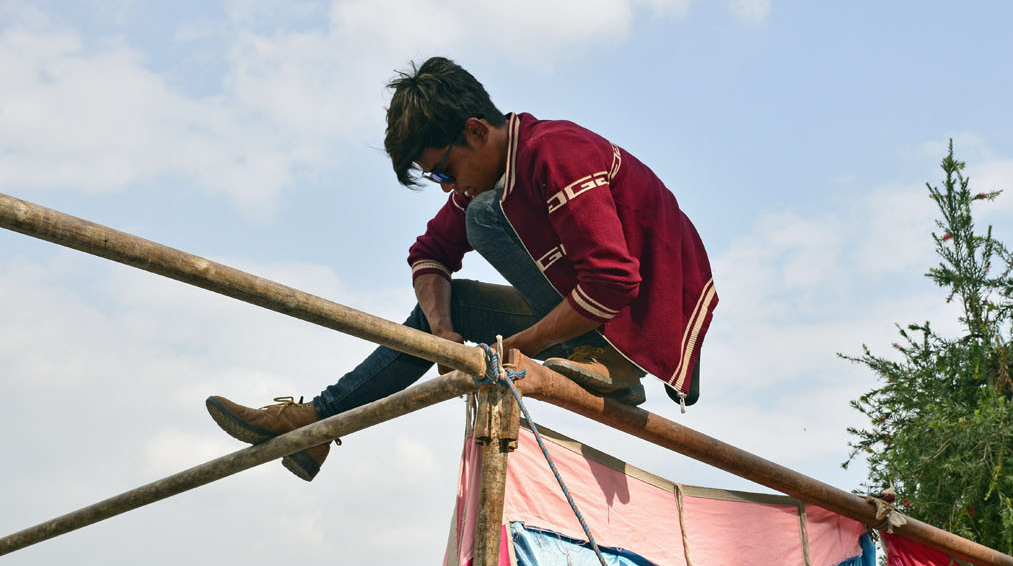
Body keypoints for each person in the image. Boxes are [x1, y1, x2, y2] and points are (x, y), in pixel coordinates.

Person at [206, 57, 717, 481]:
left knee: (483, 217)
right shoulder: (496, 174)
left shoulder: (557, 154)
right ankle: (317, 422)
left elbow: (614, 280)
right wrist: (444, 333)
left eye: (443, 171)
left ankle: (616, 362)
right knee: (451, 299)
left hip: (648, 320)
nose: (447, 186)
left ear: (476, 130)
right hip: (598, 306)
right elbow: (428, 253)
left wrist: (529, 345)